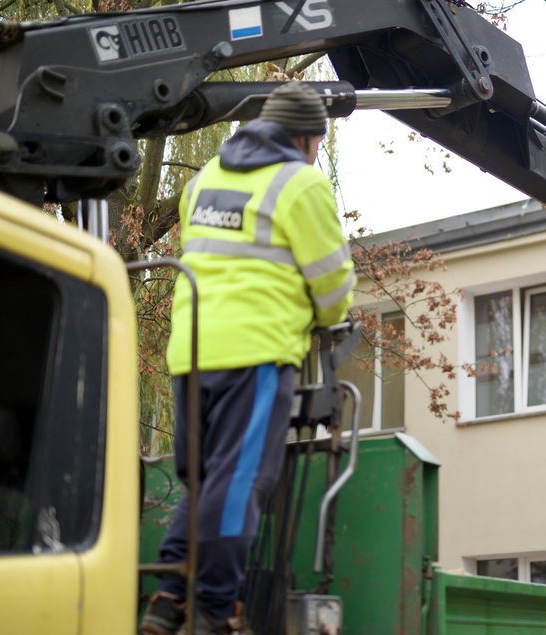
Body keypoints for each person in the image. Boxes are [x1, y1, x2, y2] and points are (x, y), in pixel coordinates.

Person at [140, 82, 355, 635]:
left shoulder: (204, 179)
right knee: (239, 483)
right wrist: (330, 323)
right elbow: (331, 281)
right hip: (255, 351)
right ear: (307, 140)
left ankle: (168, 597)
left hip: (191, 350)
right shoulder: (299, 183)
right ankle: (216, 610)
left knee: (207, 480)